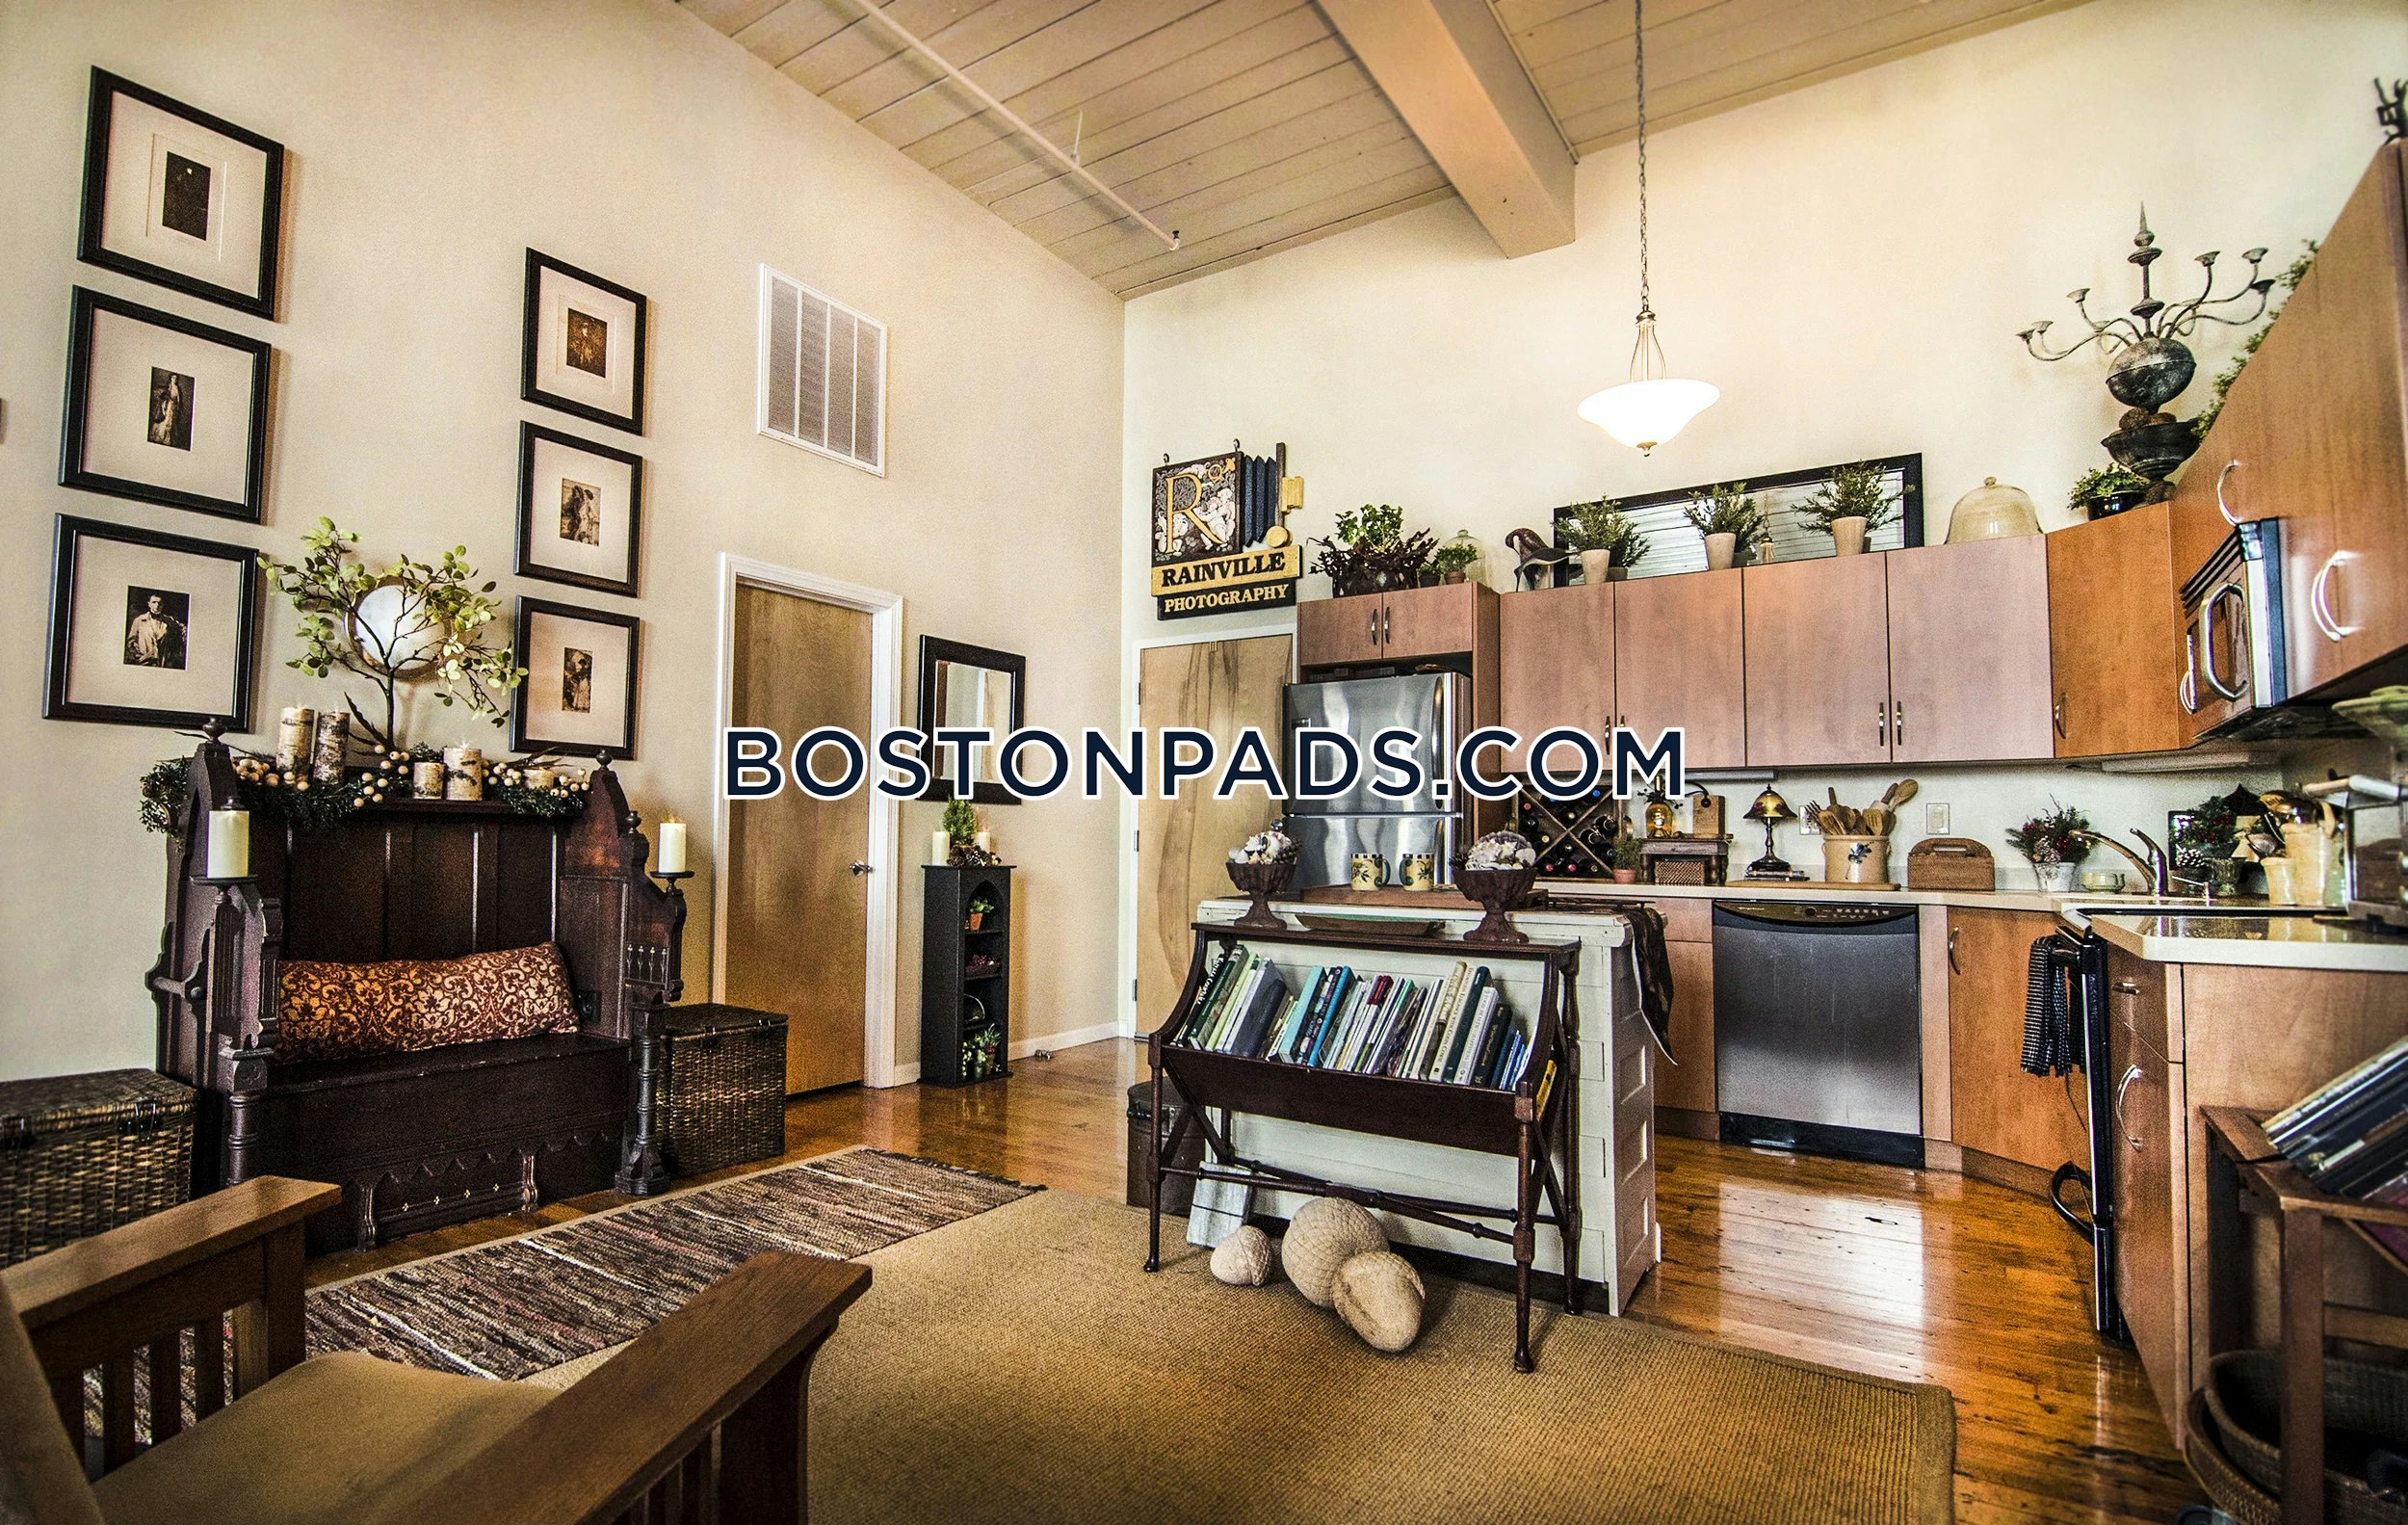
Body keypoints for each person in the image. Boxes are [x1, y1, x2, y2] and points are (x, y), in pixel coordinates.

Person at [125, 592, 185, 668]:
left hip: (163, 663)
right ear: (149, 604)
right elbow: (131, 642)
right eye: (154, 602)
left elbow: (182, 631)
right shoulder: (139, 620)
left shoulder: (169, 621)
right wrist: (140, 657)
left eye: (159, 603)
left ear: (163, 605)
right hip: (144, 662)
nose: (157, 605)